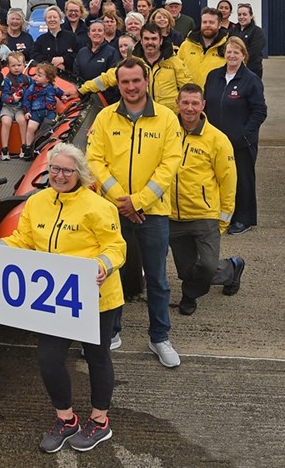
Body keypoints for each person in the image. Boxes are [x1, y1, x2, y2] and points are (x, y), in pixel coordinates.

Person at [2, 143, 125, 454]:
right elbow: (23, 240)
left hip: (97, 298)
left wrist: (102, 265)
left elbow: (116, 248)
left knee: (97, 358)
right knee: (48, 358)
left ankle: (99, 422)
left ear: (79, 174)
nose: (59, 175)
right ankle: (66, 419)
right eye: (54, 169)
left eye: (67, 170)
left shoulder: (99, 207)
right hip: (56, 299)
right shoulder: (37, 202)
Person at [87, 57, 183, 368]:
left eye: (136, 81)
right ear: (119, 84)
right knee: (110, 275)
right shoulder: (104, 118)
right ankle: (111, 331)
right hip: (112, 212)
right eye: (125, 82)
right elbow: (94, 160)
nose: (130, 87)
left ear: (146, 82)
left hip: (152, 214)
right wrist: (119, 199)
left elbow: (170, 165)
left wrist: (138, 201)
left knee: (157, 278)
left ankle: (160, 336)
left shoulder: (167, 118)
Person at [168, 84, 245, 316]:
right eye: (185, 103)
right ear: (177, 104)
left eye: (194, 103)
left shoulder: (218, 140)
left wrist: (223, 219)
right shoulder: (167, 133)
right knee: (187, 270)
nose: (189, 108)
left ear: (203, 105)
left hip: (205, 216)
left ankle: (190, 295)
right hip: (172, 215)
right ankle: (232, 269)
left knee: (207, 265)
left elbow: (228, 182)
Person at [204, 37, 268, 235]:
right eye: (229, 51)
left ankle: (244, 218)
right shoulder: (213, 76)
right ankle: (222, 215)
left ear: (243, 56)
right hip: (215, 141)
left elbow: (259, 111)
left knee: (242, 180)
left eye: (236, 52)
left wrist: (245, 134)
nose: (232, 55)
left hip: (241, 143)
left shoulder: (251, 80)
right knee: (218, 179)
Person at [81, 24, 192, 113]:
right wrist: (81, 90)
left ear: (161, 40)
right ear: (141, 41)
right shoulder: (131, 62)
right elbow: (107, 79)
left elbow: (189, 90)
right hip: (141, 117)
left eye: (154, 39)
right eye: (146, 39)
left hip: (170, 118)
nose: (150, 42)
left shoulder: (174, 62)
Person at [177, 7, 229, 89]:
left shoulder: (228, 47)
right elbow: (176, 70)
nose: (207, 25)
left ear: (219, 25)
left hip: (216, 97)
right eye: (204, 22)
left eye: (211, 22)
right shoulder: (186, 45)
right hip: (189, 96)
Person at [22, 61, 63, 160]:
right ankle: (28, 148)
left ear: (48, 79)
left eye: (39, 75)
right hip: (36, 111)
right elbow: (27, 99)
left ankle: (44, 148)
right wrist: (27, 111)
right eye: (36, 74)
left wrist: (63, 95)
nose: (35, 77)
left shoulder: (52, 87)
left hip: (49, 112)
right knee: (31, 127)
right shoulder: (33, 87)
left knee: (48, 127)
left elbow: (61, 93)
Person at [73, 20, 120, 106]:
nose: (96, 33)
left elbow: (111, 79)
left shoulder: (112, 52)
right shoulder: (82, 52)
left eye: (100, 30)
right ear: (89, 34)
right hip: (83, 98)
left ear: (104, 33)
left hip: (104, 100)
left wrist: (96, 92)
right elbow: (76, 75)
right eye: (93, 30)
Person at [0, 51, 31, 160]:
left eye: (19, 65)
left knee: (22, 121)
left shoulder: (27, 79)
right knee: (6, 122)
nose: (16, 68)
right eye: (13, 65)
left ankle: (24, 146)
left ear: (24, 65)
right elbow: (3, 95)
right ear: (8, 66)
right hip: (8, 106)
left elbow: (31, 92)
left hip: (20, 107)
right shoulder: (7, 80)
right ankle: (4, 148)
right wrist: (11, 98)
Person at [30, 6, 78, 72]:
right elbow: (34, 55)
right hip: (47, 76)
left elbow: (78, 54)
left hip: (69, 76)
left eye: (55, 17)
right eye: (49, 17)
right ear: (45, 21)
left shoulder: (71, 36)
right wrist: (51, 61)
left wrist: (63, 59)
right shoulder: (41, 40)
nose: (52, 20)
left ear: (60, 20)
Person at [235, 3, 266, 79]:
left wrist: (237, 58)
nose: (242, 17)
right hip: (235, 69)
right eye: (239, 15)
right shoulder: (233, 30)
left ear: (251, 16)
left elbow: (253, 52)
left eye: (245, 14)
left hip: (252, 70)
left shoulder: (257, 32)